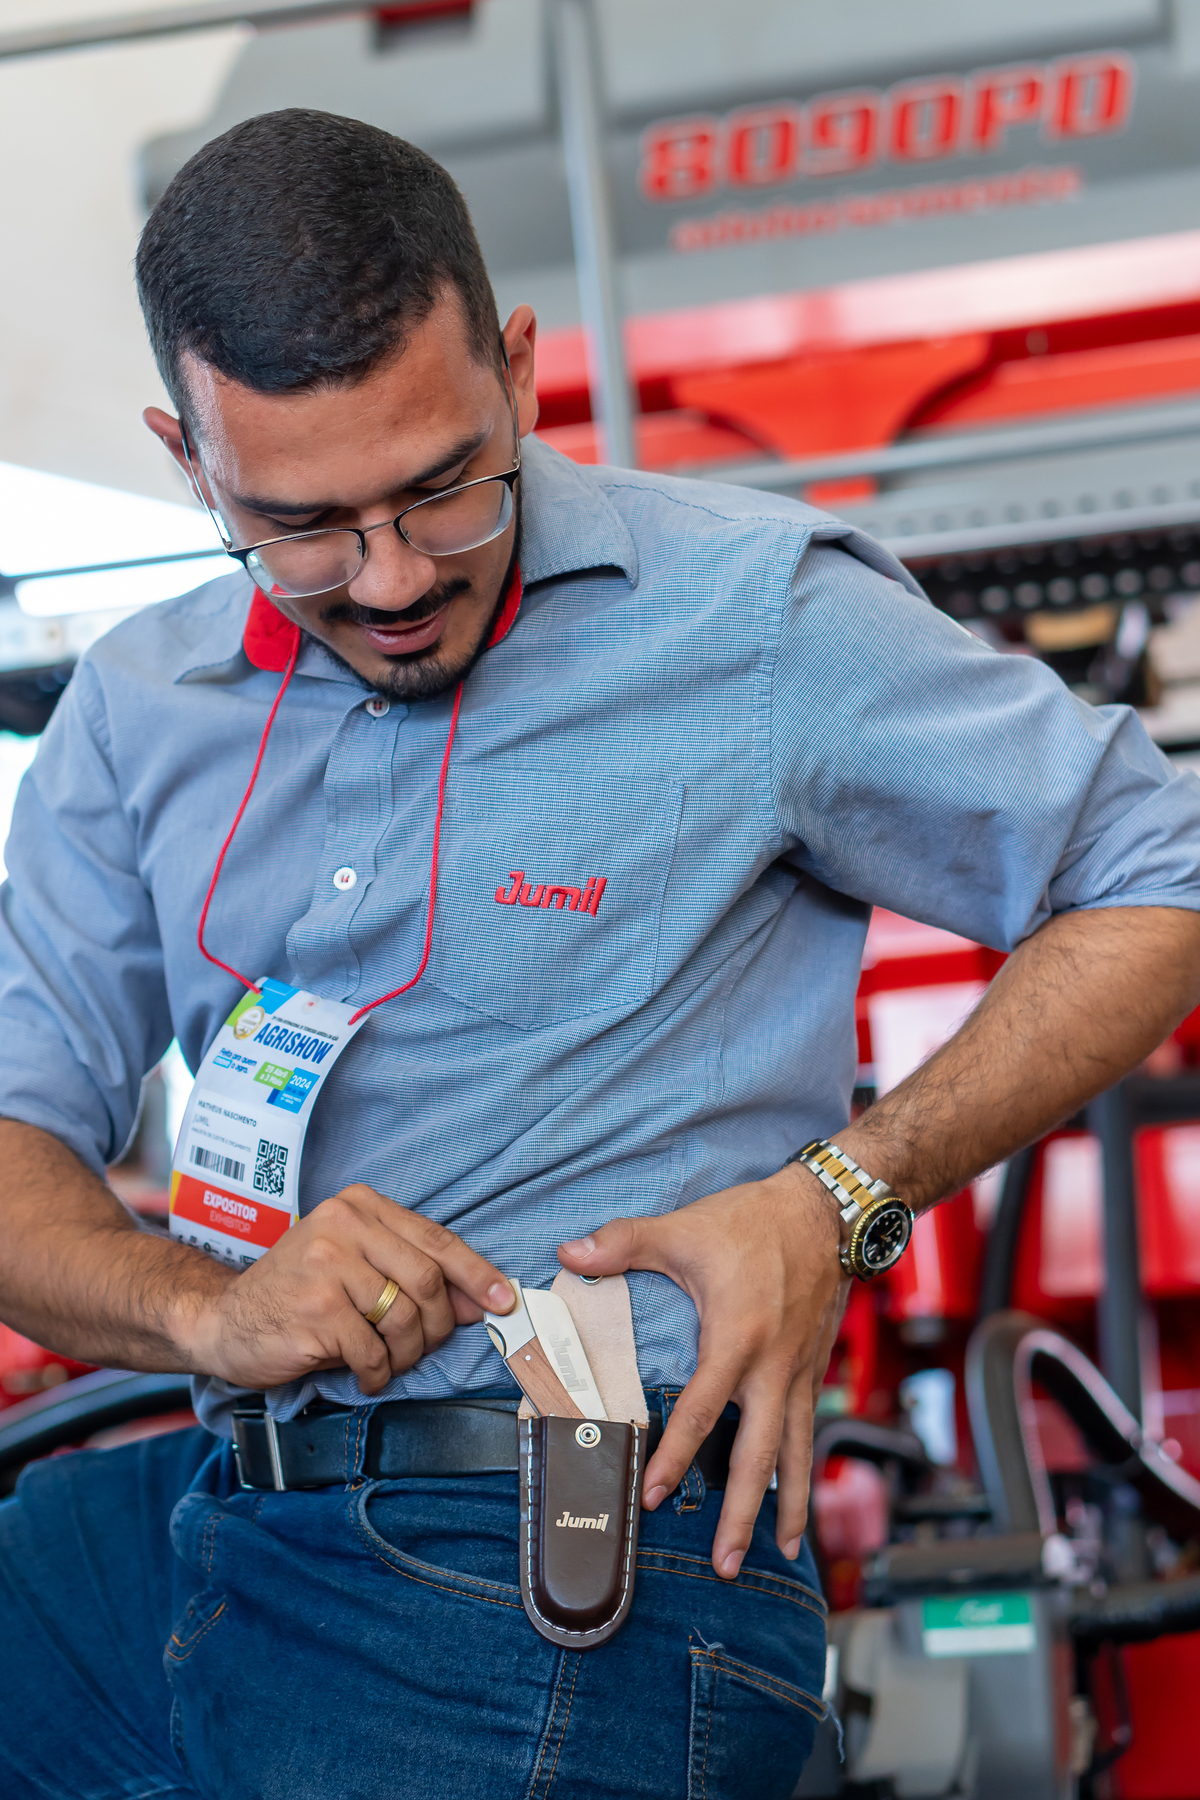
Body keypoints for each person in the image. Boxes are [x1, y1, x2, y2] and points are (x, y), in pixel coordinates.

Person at [1, 106, 1199, 1800]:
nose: (396, 578)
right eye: (305, 528)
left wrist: (836, 1201)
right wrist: (208, 1311)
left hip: (546, 1549)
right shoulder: (135, 716)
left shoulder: (753, 618)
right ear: (187, 459)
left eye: (442, 490)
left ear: (521, 370)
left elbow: (1163, 870)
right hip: (199, 1522)